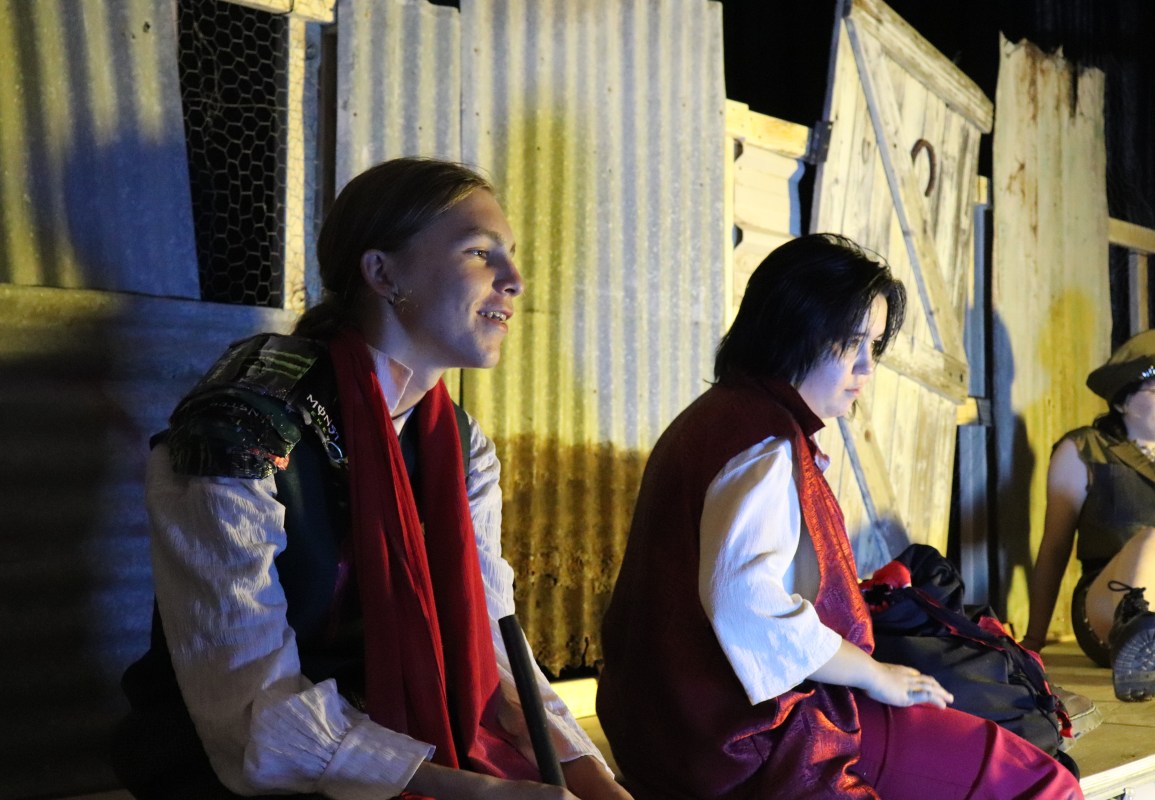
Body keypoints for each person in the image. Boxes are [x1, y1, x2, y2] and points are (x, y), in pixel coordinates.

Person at [111, 157, 631, 800]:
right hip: (246, 773)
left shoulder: (461, 447)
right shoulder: (240, 428)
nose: (515, 280)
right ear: (382, 272)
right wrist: (482, 793)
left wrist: (596, 781)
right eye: (479, 253)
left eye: (512, 257)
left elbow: (492, 651)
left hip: (409, 742)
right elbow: (253, 716)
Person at [596, 234, 1082, 800]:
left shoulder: (719, 417)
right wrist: (876, 675)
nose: (865, 367)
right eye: (851, 342)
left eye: (873, 345)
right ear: (792, 330)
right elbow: (744, 600)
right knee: (1042, 782)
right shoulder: (763, 442)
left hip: (677, 726)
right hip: (748, 736)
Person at [1023, 328, 1155, 701]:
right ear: (1122, 401)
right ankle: (1140, 645)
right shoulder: (1085, 449)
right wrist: (1034, 640)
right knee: (1152, 541)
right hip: (1111, 604)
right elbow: (1054, 547)